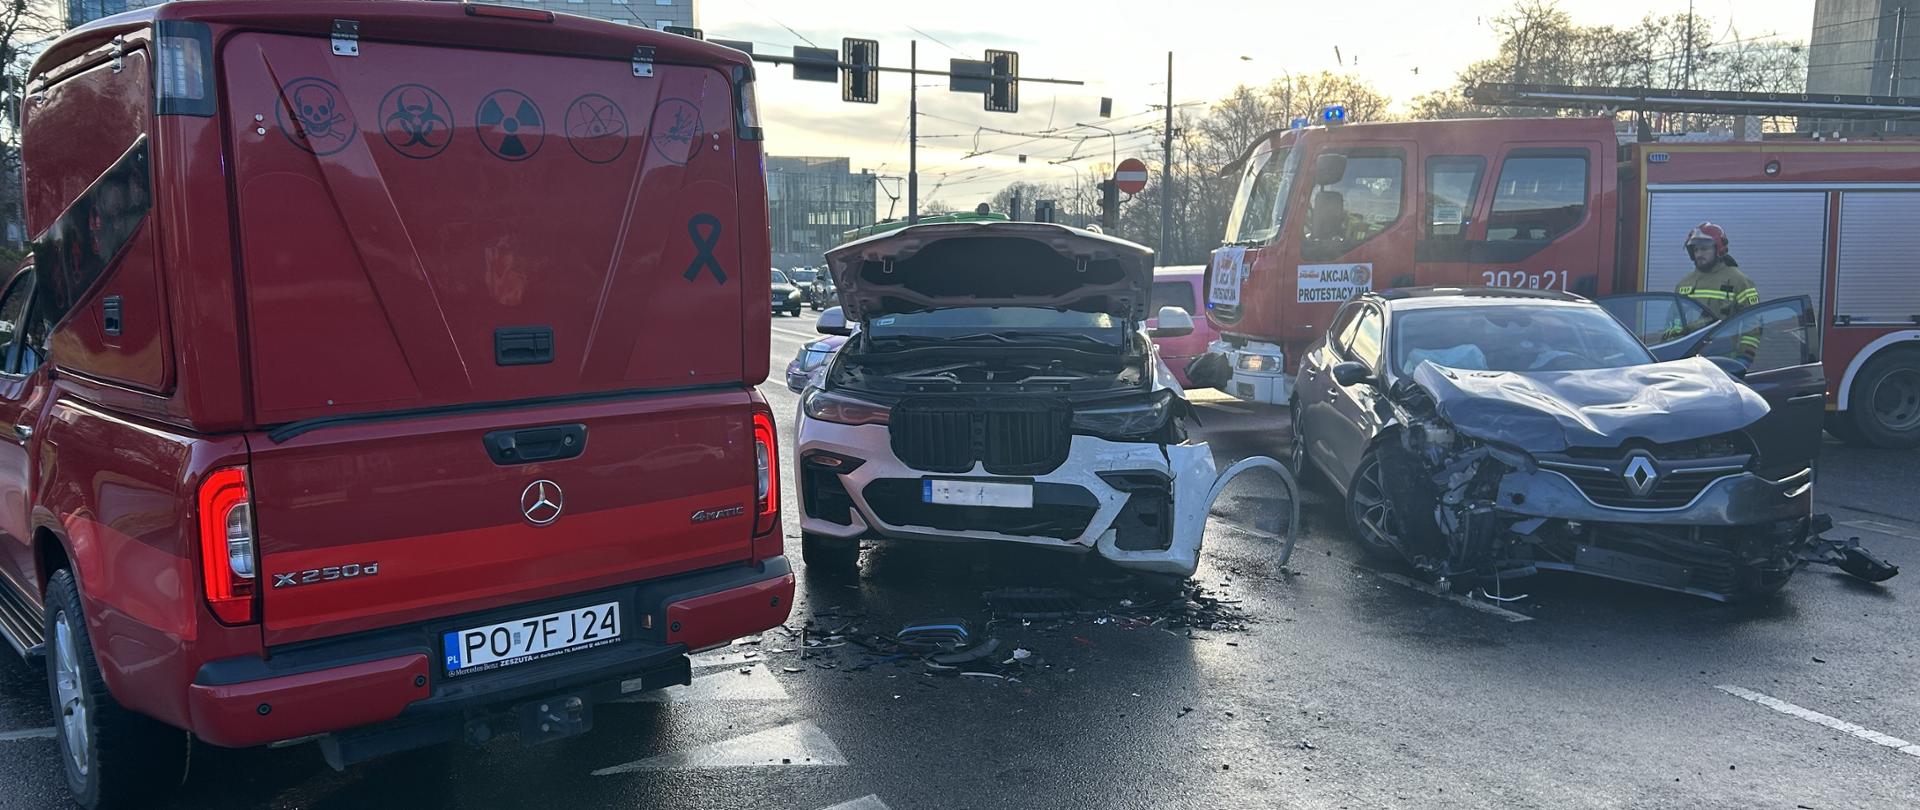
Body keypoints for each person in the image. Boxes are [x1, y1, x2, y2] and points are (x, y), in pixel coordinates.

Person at [1674, 222, 1761, 365]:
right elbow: (1674, 324)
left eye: (1704, 249)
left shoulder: (1739, 282)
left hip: (1723, 362)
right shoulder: (1684, 284)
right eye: (1695, 250)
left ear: (1719, 249)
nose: (1699, 254)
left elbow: (1752, 325)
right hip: (1688, 362)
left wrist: (1744, 357)